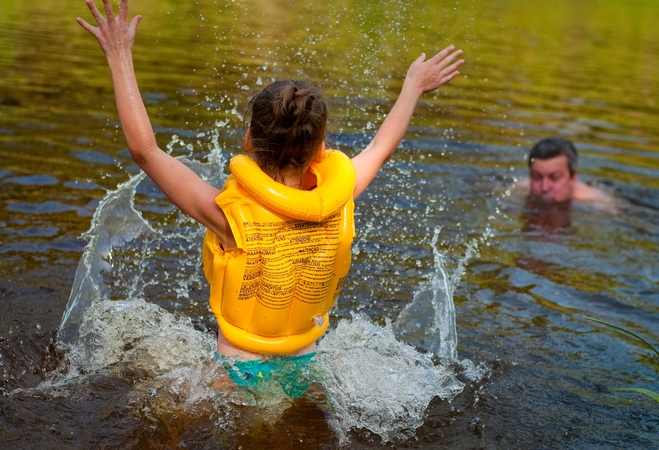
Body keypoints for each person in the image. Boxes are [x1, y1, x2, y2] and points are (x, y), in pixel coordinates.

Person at [77, 0, 464, 392]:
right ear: (320, 151)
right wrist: (413, 85)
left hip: (237, 373)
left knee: (149, 402)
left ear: (248, 140)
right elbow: (381, 145)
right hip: (308, 366)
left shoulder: (228, 218)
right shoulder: (340, 196)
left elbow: (146, 151)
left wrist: (119, 54)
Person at [525, 137, 615, 204]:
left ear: (573, 178)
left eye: (555, 178)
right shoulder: (519, 189)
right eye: (537, 177)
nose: (544, 187)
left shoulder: (599, 202)